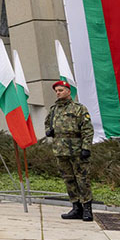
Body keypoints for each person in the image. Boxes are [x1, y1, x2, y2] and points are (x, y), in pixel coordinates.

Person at [45, 79, 94, 221]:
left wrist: (86, 147)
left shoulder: (79, 108)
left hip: (77, 149)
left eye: (60, 90)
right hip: (60, 150)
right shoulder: (54, 109)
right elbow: (47, 122)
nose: (58, 93)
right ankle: (76, 207)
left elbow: (87, 129)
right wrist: (49, 131)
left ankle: (87, 209)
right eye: (56, 91)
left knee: (82, 179)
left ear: (68, 91)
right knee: (69, 179)